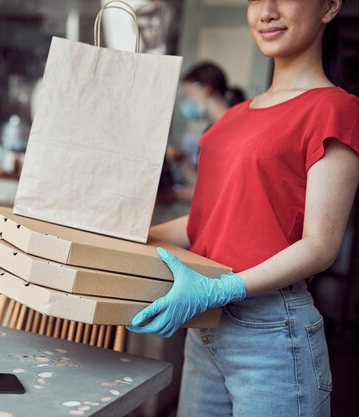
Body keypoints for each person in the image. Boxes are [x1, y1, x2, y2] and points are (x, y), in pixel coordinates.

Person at [128, 1, 358, 416]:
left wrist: (224, 287)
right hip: (206, 328)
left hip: (272, 335)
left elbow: (321, 245)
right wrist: (129, 232)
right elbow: (205, 224)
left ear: (329, 7)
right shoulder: (232, 117)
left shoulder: (335, 108)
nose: (266, 11)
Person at [168, 62, 246, 200]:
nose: (185, 102)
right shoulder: (211, 129)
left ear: (204, 89)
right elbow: (202, 183)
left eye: (186, 95)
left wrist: (169, 196)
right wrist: (181, 160)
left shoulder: (232, 128)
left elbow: (216, 193)